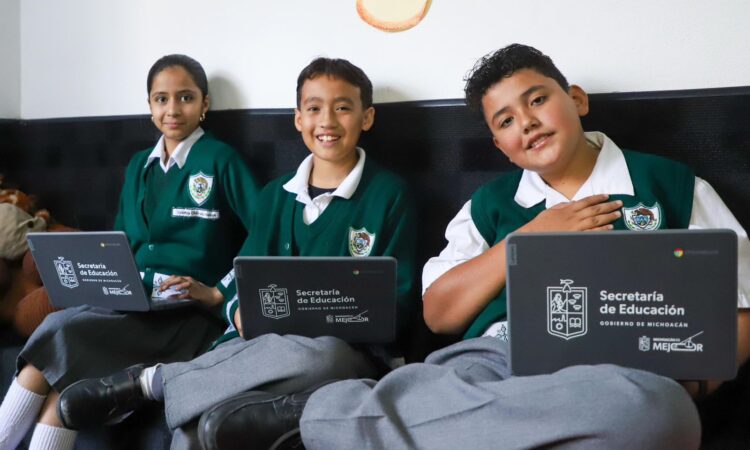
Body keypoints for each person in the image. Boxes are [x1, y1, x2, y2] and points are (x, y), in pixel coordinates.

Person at [191, 44, 750, 450]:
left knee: (665, 414)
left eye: (538, 100)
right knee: (446, 382)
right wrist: (527, 240)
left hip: (613, 372)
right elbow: (438, 313)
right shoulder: (490, 206)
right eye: (506, 120)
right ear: (500, 144)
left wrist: (696, 380)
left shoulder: (671, 186)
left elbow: (741, 308)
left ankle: (327, 420)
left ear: (576, 99)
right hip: (493, 359)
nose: (527, 123)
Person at [56, 57, 418, 449]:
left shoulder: (390, 195)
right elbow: (240, 278)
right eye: (314, 108)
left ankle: (151, 382)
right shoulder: (276, 195)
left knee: (323, 356)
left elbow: (396, 302)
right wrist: (238, 311)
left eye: (343, 107)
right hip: (259, 346)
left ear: (367, 117)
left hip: (342, 352)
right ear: (298, 119)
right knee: (194, 423)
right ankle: (210, 399)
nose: (327, 121)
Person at [0, 54, 258, 450]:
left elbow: (265, 235)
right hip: (133, 303)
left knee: (59, 331)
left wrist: (218, 292)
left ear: (204, 104)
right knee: (62, 380)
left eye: (186, 97)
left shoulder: (222, 160)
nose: (173, 109)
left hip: (186, 316)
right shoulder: (139, 166)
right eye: (161, 99)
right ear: (150, 105)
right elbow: (120, 245)